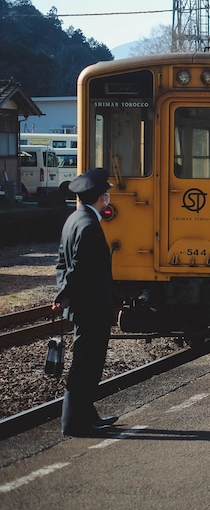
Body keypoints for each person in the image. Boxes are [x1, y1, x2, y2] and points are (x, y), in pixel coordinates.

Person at [53, 167, 119, 437]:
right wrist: (65, 294)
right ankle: (74, 422)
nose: (108, 198)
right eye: (106, 194)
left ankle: (88, 415)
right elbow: (79, 268)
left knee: (87, 362)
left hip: (84, 307)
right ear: (101, 197)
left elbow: (61, 263)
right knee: (86, 365)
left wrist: (63, 292)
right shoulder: (90, 226)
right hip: (92, 308)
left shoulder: (73, 220)